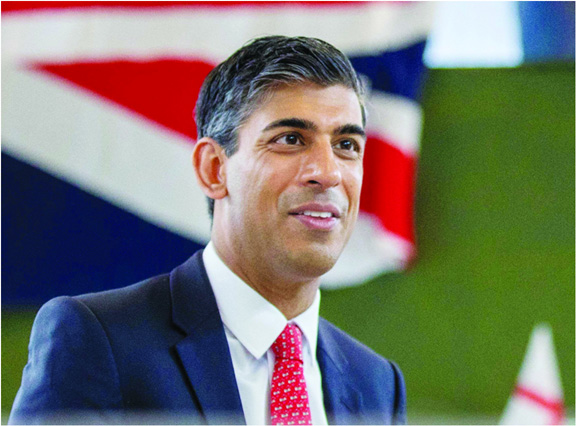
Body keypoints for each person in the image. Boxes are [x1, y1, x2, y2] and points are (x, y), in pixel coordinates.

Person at [9, 35, 406, 425]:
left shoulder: (377, 385)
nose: (328, 172)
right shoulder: (99, 341)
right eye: (291, 139)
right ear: (214, 169)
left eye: (347, 145)